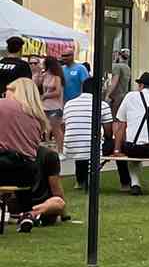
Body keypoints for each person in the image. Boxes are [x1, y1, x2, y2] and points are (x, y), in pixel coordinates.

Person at [0, 78, 68, 230]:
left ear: (17, 92)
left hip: (5, 165)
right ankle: (28, 214)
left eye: (9, 91)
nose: (5, 94)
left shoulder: (4, 105)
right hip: (26, 173)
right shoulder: (38, 118)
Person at [61, 76, 113, 188]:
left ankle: (80, 181)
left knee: (82, 143)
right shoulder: (102, 105)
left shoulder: (69, 104)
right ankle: (125, 182)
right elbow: (108, 131)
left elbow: (64, 126)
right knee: (111, 143)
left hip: (70, 145)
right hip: (92, 147)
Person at [39, 56, 65, 149]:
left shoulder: (57, 77)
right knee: (42, 127)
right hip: (45, 106)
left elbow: (58, 92)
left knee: (56, 129)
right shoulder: (45, 75)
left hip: (55, 107)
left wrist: (45, 95)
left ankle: (60, 150)